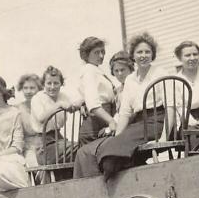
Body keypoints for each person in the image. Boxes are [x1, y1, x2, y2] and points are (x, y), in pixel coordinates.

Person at [73, 32, 173, 179]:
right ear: (133, 55)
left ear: (153, 54)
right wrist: (117, 137)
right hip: (139, 123)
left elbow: (170, 106)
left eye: (147, 52)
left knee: (111, 157)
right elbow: (125, 112)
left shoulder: (160, 73)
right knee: (109, 149)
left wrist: (165, 136)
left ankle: (124, 184)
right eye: (139, 52)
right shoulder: (131, 79)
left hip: (157, 121)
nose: (143, 55)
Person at [31, 66, 82, 180]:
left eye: (56, 83)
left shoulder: (63, 96)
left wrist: (81, 104)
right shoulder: (37, 98)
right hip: (44, 146)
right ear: (43, 84)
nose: (52, 87)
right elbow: (41, 117)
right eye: (49, 83)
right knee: (81, 148)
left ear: (61, 84)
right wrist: (58, 105)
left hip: (59, 140)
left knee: (84, 147)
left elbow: (74, 104)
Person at [77, 36, 118, 144]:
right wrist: (111, 121)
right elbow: (93, 104)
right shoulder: (88, 71)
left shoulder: (96, 71)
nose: (101, 55)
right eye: (96, 52)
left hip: (102, 122)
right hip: (95, 127)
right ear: (86, 54)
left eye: (103, 51)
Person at [175, 40, 199, 128]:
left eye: (195, 54)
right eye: (187, 55)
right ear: (180, 58)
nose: (192, 58)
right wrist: (192, 122)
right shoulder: (175, 80)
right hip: (188, 119)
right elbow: (180, 107)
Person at [16, 73, 44, 170]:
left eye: (32, 88)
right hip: (29, 148)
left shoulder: (45, 105)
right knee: (36, 167)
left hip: (47, 144)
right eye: (25, 88)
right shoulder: (18, 109)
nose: (28, 91)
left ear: (39, 89)